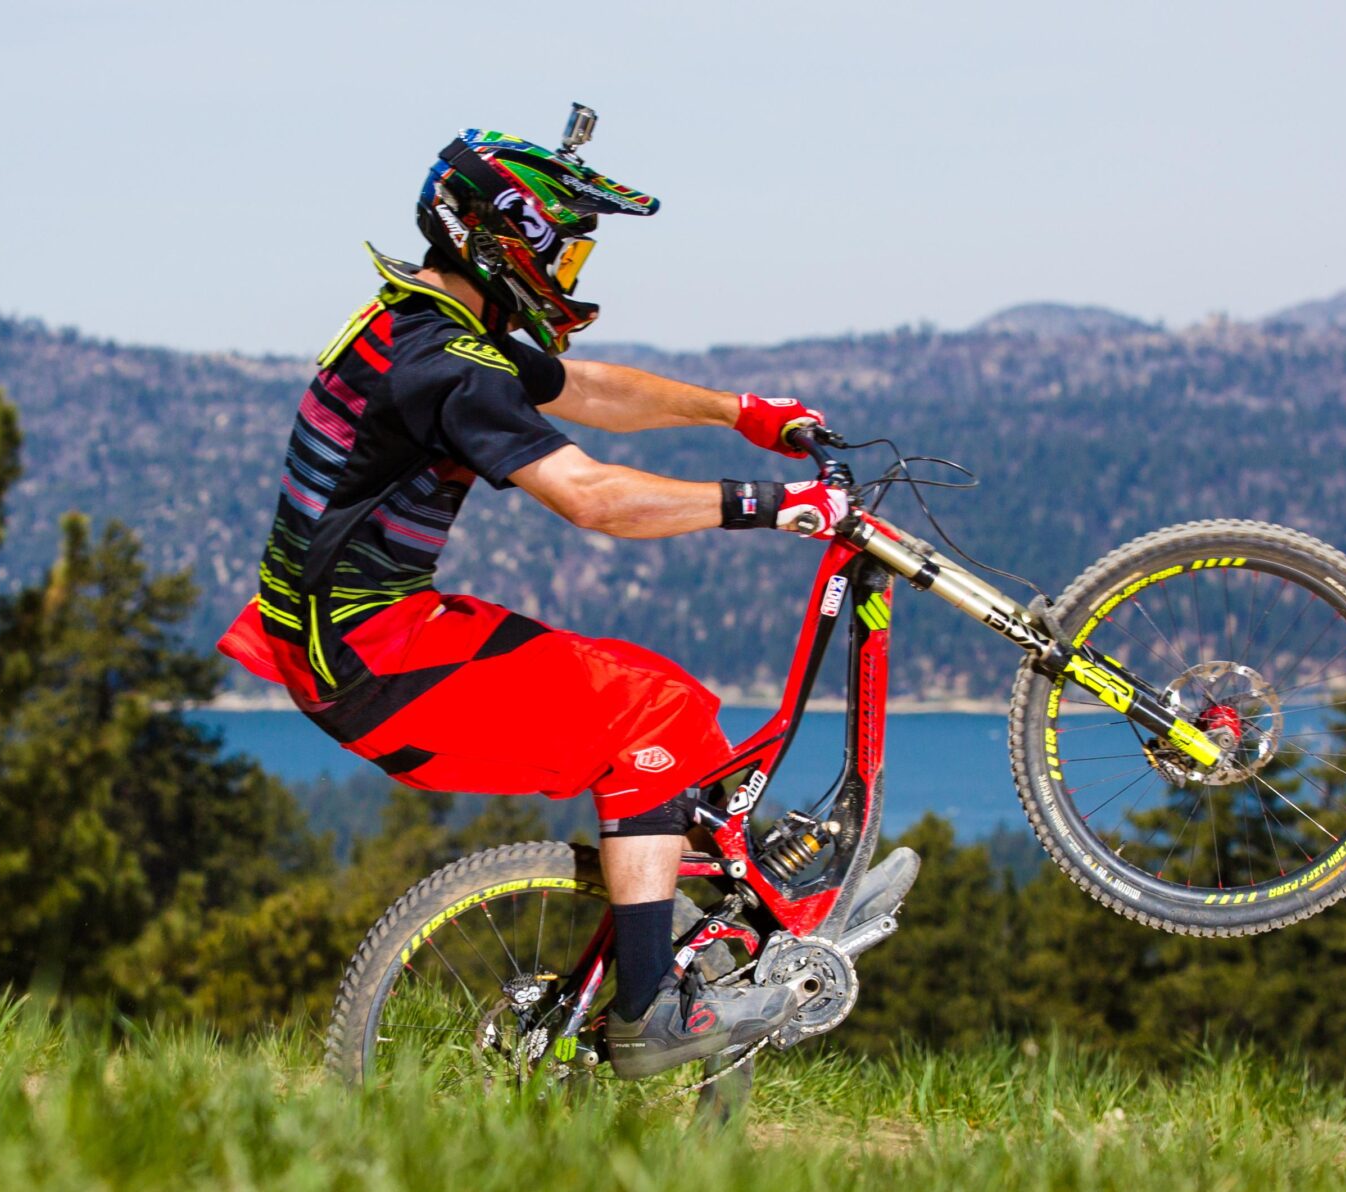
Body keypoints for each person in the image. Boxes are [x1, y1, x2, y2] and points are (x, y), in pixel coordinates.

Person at [217, 118, 917, 1079]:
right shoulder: (451, 368)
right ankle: (650, 1013)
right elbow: (593, 498)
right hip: (371, 659)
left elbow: (585, 387)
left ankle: (703, 902)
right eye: (569, 244)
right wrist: (772, 505)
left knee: (676, 703)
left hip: (353, 633)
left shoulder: (415, 324)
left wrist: (741, 413)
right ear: (509, 240)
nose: (577, 266)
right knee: (654, 719)